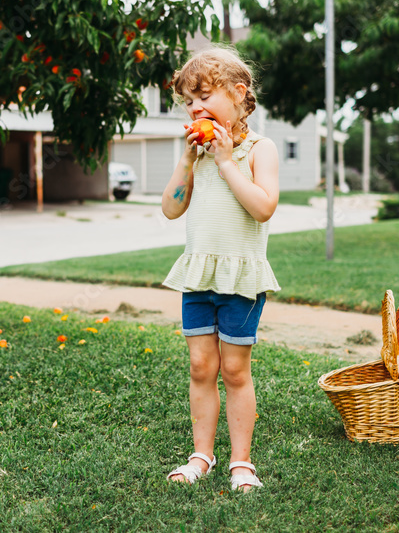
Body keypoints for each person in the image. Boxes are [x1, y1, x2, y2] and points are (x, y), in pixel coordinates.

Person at [160, 47, 281, 492]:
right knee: (199, 366)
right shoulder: (198, 154)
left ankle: (241, 462)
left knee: (234, 371)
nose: (195, 107)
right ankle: (201, 455)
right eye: (188, 101)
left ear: (238, 93)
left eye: (204, 96)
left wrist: (228, 160)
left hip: (241, 279)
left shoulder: (258, 148)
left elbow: (263, 207)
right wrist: (188, 161)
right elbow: (172, 209)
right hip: (199, 276)